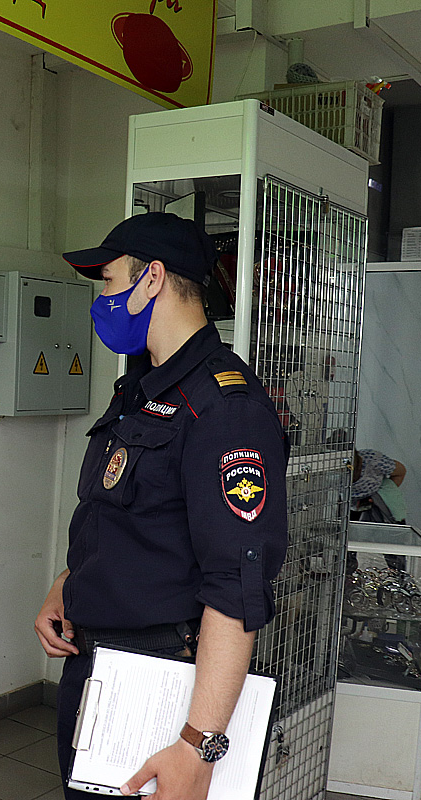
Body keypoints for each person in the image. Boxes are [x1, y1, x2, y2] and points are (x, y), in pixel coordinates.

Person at [33, 213, 289, 800]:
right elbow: (132, 519)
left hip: (160, 677)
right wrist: (70, 584)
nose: (103, 296)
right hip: (96, 658)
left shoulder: (224, 407)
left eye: (108, 279)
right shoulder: (141, 389)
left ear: (151, 278)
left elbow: (236, 583)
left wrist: (199, 745)